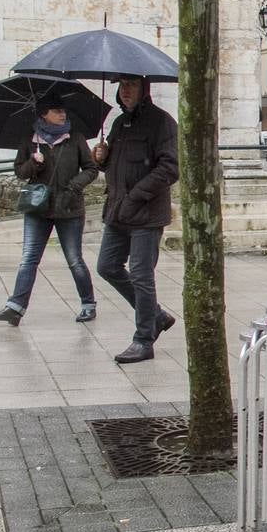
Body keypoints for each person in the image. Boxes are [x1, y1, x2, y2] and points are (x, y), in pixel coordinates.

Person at [0, 94, 99, 326]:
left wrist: (74, 186)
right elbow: (20, 172)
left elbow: (91, 169)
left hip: (69, 208)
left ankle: (88, 305)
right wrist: (34, 163)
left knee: (74, 259)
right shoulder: (30, 140)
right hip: (38, 209)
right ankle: (15, 308)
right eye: (56, 110)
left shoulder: (74, 138)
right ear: (44, 114)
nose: (62, 113)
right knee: (28, 258)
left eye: (63, 110)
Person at [94, 75, 179, 364]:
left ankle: (144, 339)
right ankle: (154, 315)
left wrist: (136, 196)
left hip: (146, 213)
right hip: (118, 211)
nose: (125, 91)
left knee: (142, 275)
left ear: (145, 89)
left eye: (131, 85)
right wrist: (102, 158)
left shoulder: (162, 122)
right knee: (106, 266)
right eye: (122, 86)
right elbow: (116, 168)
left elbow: (170, 168)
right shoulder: (119, 124)